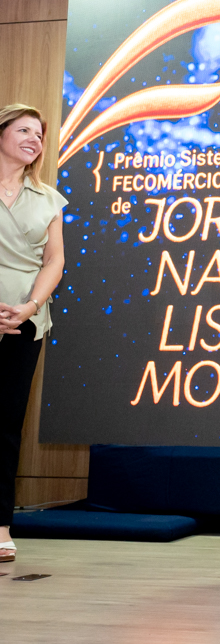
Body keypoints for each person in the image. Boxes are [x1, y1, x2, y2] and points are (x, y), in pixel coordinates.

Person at [0, 104, 67, 563]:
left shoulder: (48, 198)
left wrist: (28, 307)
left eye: (40, 135)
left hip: (24, 324)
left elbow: (54, 262)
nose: (34, 139)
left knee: (5, 428)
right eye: (24, 130)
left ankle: (0, 527)